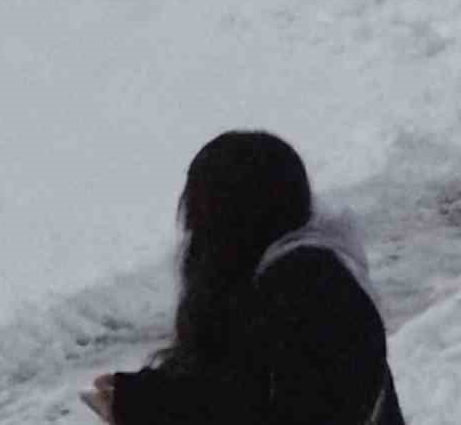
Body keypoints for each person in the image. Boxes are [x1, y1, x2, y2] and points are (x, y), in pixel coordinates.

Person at [82, 131, 404, 425]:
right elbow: (238, 380)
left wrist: (147, 405)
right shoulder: (274, 276)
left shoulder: (310, 286)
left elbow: (270, 405)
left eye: (199, 212)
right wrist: (144, 395)